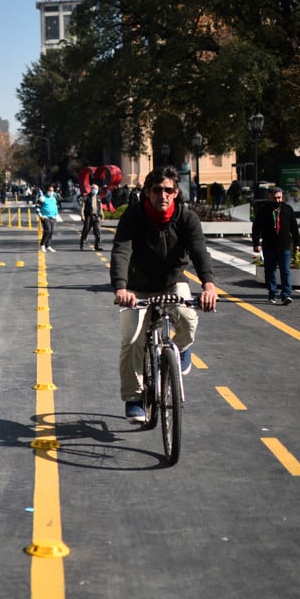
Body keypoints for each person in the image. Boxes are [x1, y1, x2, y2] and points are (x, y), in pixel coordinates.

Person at [110, 167, 218, 424]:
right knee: (133, 338)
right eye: (157, 190)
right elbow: (121, 251)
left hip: (172, 281)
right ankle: (134, 398)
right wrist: (121, 288)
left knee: (187, 318)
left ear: (176, 193)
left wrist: (209, 285)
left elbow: (199, 252)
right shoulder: (133, 217)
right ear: (147, 192)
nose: (163, 195)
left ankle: (181, 349)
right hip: (136, 287)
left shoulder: (186, 218)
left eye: (169, 190)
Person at [251, 187, 300, 305]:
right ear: (269, 198)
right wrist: (256, 243)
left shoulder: (288, 209)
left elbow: (294, 228)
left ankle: (286, 294)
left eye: (279, 197)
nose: (278, 200)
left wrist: (297, 243)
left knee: (285, 270)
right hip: (269, 245)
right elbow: (256, 228)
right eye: (275, 198)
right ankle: (272, 293)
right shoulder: (263, 211)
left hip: (284, 245)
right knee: (270, 271)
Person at [79, 184, 104, 251]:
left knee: (98, 232)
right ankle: (82, 244)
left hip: (96, 217)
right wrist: (82, 215)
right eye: (94, 189)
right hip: (88, 217)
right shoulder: (86, 197)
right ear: (91, 189)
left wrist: (102, 215)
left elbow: (100, 207)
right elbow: (82, 207)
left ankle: (97, 245)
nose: (95, 190)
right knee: (85, 231)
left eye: (96, 189)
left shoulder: (98, 197)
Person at [36, 185, 59, 252]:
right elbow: (37, 207)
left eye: (52, 190)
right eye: (49, 190)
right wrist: (41, 215)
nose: (51, 192)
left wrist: (56, 215)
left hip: (53, 217)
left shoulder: (54, 199)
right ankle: (42, 245)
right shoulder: (42, 198)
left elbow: (55, 207)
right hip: (45, 217)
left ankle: (48, 245)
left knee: (51, 231)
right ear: (47, 191)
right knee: (47, 230)